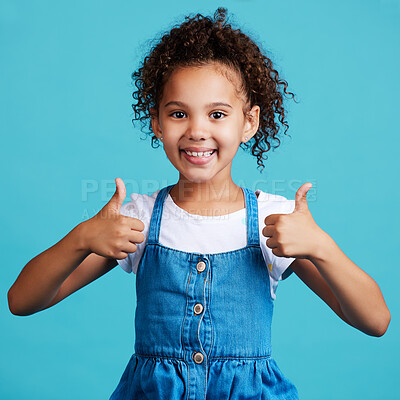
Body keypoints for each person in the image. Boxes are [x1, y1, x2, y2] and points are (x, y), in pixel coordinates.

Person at [8, 7, 390, 400]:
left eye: (217, 114)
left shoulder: (276, 222)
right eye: (178, 114)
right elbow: (22, 301)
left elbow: (375, 321)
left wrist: (322, 247)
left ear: (249, 122)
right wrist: (81, 238)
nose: (196, 131)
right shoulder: (137, 219)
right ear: (156, 122)